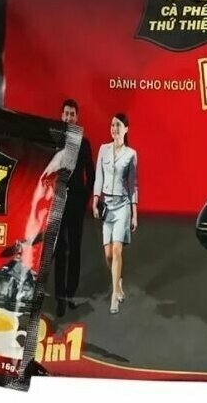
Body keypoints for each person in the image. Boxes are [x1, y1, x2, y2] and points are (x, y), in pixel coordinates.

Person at [92, 113, 138, 315]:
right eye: (112, 125)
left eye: (118, 125)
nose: (114, 128)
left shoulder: (131, 154)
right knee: (109, 255)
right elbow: (98, 178)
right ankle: (118, 280)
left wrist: (134, 213)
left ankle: (114, 295)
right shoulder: (103, 149)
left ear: (126, 129)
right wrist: (95, 200)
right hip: (107, 207)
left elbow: (133, 185)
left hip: (123, 206)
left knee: (118, 250)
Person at [54, 98, 95, 317]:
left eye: (72, 114)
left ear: (77, 117)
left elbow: (91, 174)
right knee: (60, 249)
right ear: (61, 116)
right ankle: (60, 297)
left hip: (76, 203)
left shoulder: (84, 143)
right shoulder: (55, 140)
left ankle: (70, 294)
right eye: (66, 113)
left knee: (75, 249)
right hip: (57, 200)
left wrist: (85, 198)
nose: (69, 117)